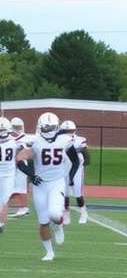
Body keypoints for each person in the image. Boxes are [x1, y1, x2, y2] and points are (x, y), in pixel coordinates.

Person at [15, 112, 80, 261]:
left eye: (50, 126)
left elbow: (75, 161)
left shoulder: (64, 140)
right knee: (43, 221)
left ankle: (58, 226)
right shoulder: (36, 142)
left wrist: (69, 176)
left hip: (57, 182)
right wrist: (31, 175)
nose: (48, 129)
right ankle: (49, 252)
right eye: (46, 127)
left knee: (55, 213)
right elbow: (19, 158)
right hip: (40, 185)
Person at [60, 120, 90, 225]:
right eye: (66, 130)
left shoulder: (79, 140)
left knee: (78, 194)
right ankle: (66, 215)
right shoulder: (59, 140)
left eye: (70, 130)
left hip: (77, 170)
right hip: (64, 169)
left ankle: (83, 213)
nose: (69, 132)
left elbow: (86, 154)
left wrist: (83, 164)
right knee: (65, 194)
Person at [0, 117, 24, 232]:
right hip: (8, 175)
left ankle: (0, 224)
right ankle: (0, 224)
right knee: (3, 200)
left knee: (3, 201)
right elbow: (21, 156)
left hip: (8, 175)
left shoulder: (15, 142)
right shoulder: (15, 142)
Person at [8, 116, 31, 218]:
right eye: (15, 126)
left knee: (20, 188)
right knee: (11, 188)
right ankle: (23, 207)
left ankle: (24, 208)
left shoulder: (25, 137)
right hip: (10, 165)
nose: (17, 129)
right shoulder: (9, 137)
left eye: (18, 127)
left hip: (19, 164)